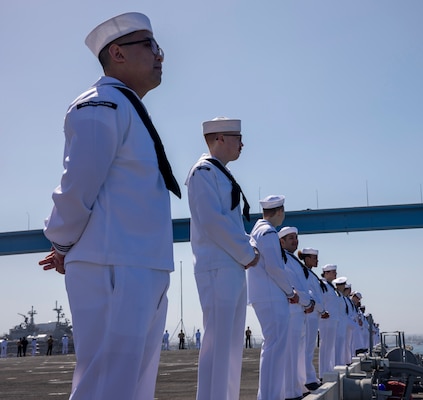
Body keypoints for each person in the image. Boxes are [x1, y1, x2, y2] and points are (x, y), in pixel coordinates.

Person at [38, 12, 180, 400]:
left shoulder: (126, 107)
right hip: (113, 265)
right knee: (105, 385)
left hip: (140, 264)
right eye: (150, 46)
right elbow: (78, 185)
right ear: (117, 53)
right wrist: (63, 242)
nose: (160, 56)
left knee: (132, 386)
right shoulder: (100, 106)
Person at [186, 117, 259, 400]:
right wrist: (247, 252)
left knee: (230, 347)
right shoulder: (203, 172)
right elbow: (212, 222)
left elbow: (228, 224)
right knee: (219, 346)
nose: (241, 144)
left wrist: (246, 250)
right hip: (217, 267)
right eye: (236, 137)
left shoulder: (219, 173)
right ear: (219, 139)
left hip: (230, 266)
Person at [247, 195, 299, 400]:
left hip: (265, 295)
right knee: (275, 349)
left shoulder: (258, 230)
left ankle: (268, 395)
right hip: (272, 296)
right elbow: (275, 267)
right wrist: (290, 292)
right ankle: (270, 396)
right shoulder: (268, 233)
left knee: (272, 347)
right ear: (279, 211)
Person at [278, 227, 315, 400]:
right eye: (290, 238)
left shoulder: (293, 260)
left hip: (300, 311)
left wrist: (308, 302)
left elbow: (303, 287)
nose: (295, 241)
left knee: (298, 353)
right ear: (281, 242)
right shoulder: (283, 259)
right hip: (292, 311)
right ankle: (289, 392)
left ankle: (296, 388)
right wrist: (307, 302)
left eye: (296, 238)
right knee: (290, 354)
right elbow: (293, 286)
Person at [297, 248, 329, 392]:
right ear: (307, 258)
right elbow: (311, 295)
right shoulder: (304, 272)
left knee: (308, 347)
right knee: (306, 348)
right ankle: (308, 379)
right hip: (310, 313)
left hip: (314, 313)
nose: (317, 261)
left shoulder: (310, 273)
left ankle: (309, 378)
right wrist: (322, 309)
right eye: (314, 258)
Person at [318, 264, 341, 379]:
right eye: (333, 272)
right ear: (326, 273)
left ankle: (328, 369)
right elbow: (321, 300)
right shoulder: (322, 285)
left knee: (330, 347)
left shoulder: (330, 287)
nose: (335, 274)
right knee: (325, 346)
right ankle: (323, 372)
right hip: (326, 320)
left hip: (332, 320)